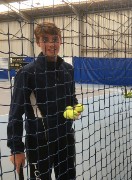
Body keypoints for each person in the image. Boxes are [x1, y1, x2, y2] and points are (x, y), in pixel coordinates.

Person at [7, 22, 79, 179]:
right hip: (39, 144)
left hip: (65, 140)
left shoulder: (68, 70)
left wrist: (74, 107)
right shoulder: (27, 73)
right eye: (45, 39)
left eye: (55, 39)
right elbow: (15, 113)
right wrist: (16, 149)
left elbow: (72, 97)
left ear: (60, 40)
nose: (51, 44)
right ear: (38, 42)